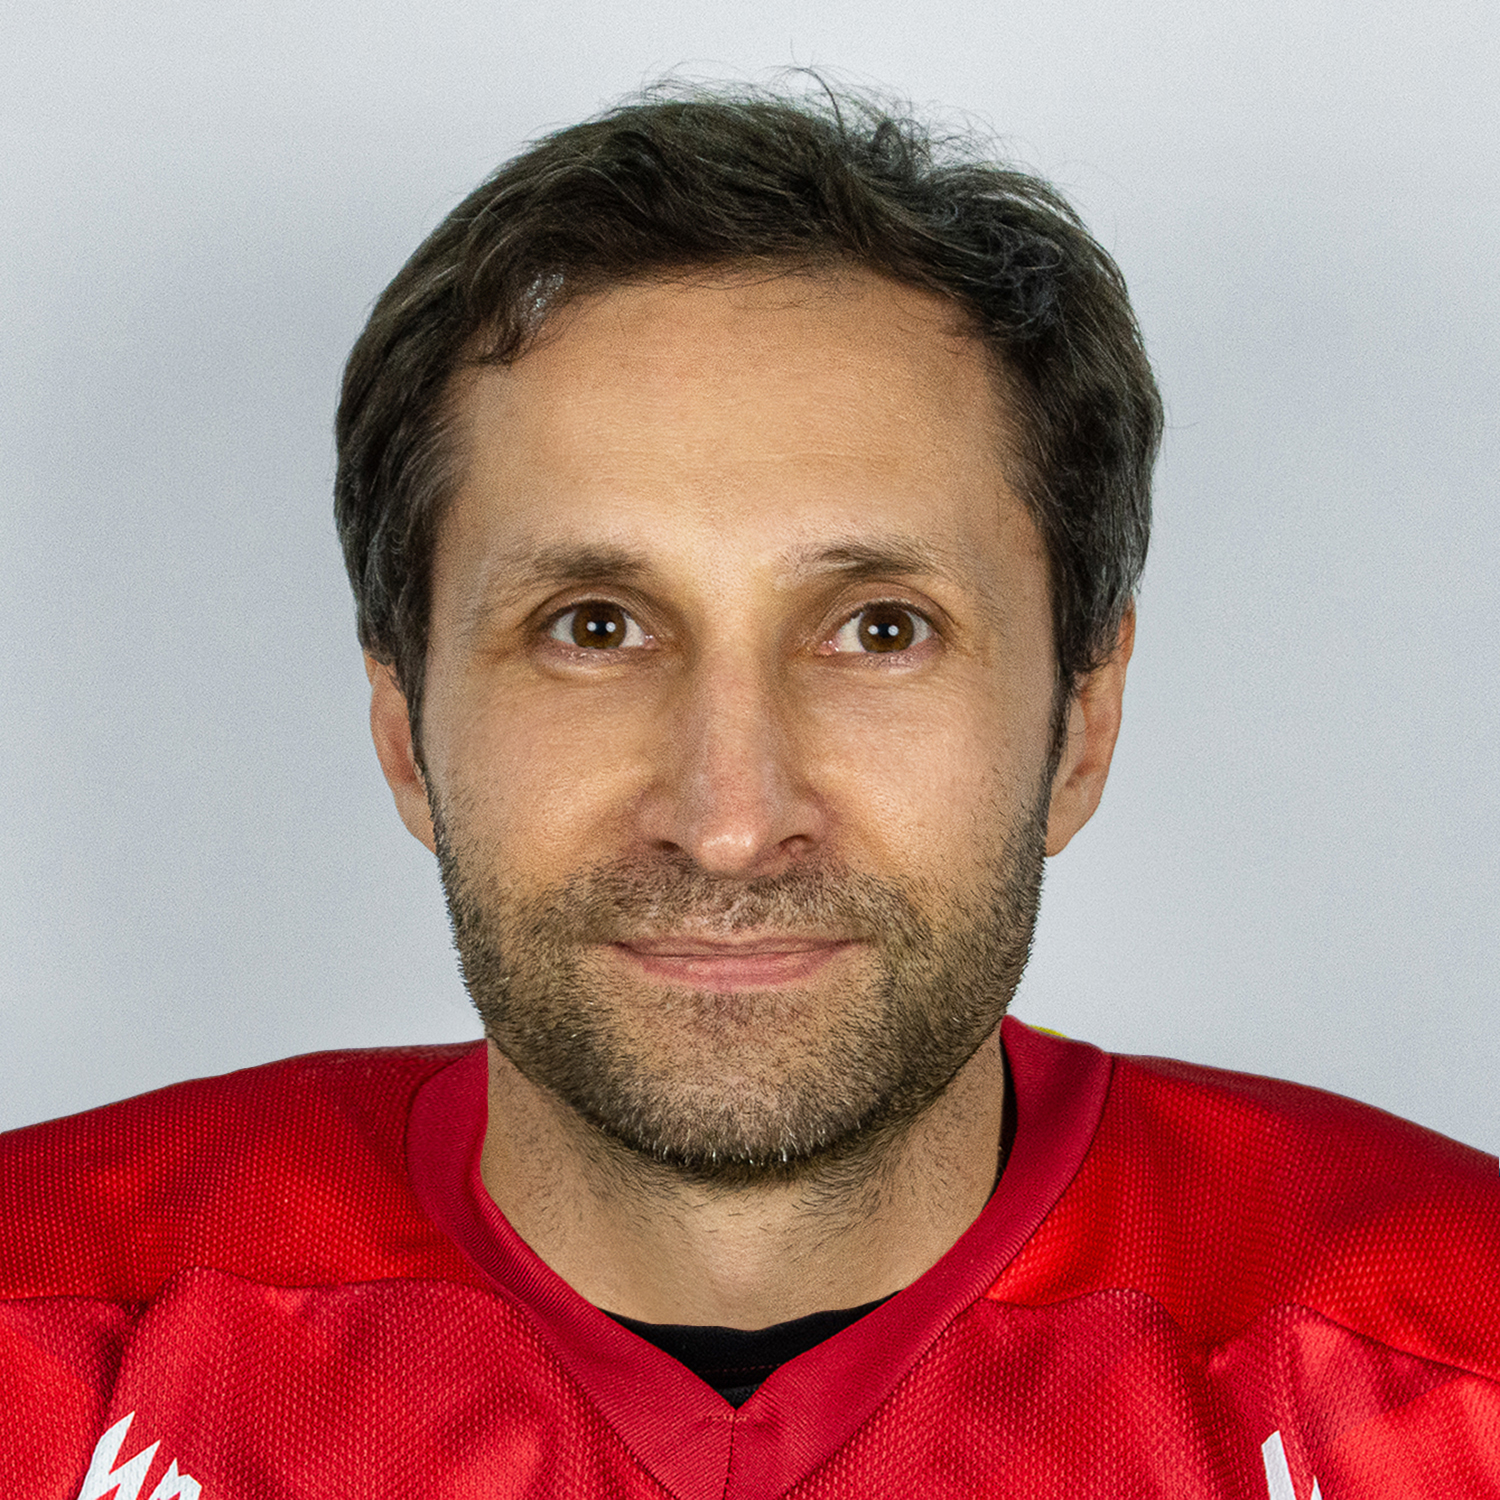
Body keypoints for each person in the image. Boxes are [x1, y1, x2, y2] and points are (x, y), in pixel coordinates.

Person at [3, 83, 1496, 1500]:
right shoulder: (40, 1343)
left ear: (1081, 723)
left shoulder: (1455, 1370)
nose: (729, 820)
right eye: (595, 627)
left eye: (880, 630)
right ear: (405, 725)